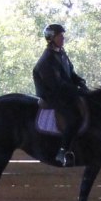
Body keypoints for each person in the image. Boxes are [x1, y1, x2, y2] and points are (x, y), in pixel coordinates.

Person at [33, 24, 89, 167]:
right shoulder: (47, 60)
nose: (63, 38)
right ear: (52, 38)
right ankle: (63, 151)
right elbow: (58, 85)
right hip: (52, 95)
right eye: (60, 36)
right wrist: (77, 90)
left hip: (63, 92)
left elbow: (70, 73)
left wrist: (80, 82)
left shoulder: (61, 53)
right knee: (74, 116)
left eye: (62, 35)